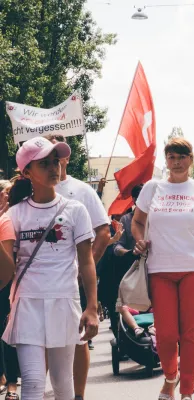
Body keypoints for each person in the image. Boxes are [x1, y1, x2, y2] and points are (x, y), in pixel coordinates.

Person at [132, 138, 194, 400]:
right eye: (172, 157)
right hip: (160, 268)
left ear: (190, 160)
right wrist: (139, 239)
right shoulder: (152, 188)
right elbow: (138, 222)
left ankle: (186, 392)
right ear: (166, 160)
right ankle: (171, 376)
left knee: (191, 333)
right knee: (165, 334)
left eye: (181, 157)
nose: (176, 162)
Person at [4, 137, 99, 400]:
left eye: (55, 161)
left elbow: (87, 261)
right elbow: (6, 265)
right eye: (44, 163)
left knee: (61, 382)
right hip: (27, 305)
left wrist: (92, 307)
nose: (53, 168)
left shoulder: (75, 210)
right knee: (33, 382)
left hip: (64, 302)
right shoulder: (15, 215)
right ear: (27, 172)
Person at [46, 134, 110, 399]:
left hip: (74, 279)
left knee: (77, 336)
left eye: (59, 153)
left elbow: (104, 232)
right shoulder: (32, 187)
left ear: (67, 157)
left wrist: (86, 269)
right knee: (42, 338)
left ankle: (79, 395)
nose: (55, 159)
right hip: (40, 279)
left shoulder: (82, 190)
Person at [111, 184, 144, 336]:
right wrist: (130, 252)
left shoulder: (157, 217)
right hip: (133, 271)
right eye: (140, 197)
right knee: (127, 306)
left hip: (156, 268)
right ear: (134, 200)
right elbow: (117, 247)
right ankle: (132, 333)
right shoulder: (126, 219)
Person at [0, 181, 18, 400]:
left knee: (7, 334)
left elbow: (8, 265)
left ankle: (10, 382)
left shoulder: (7, 221)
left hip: (6, 286)